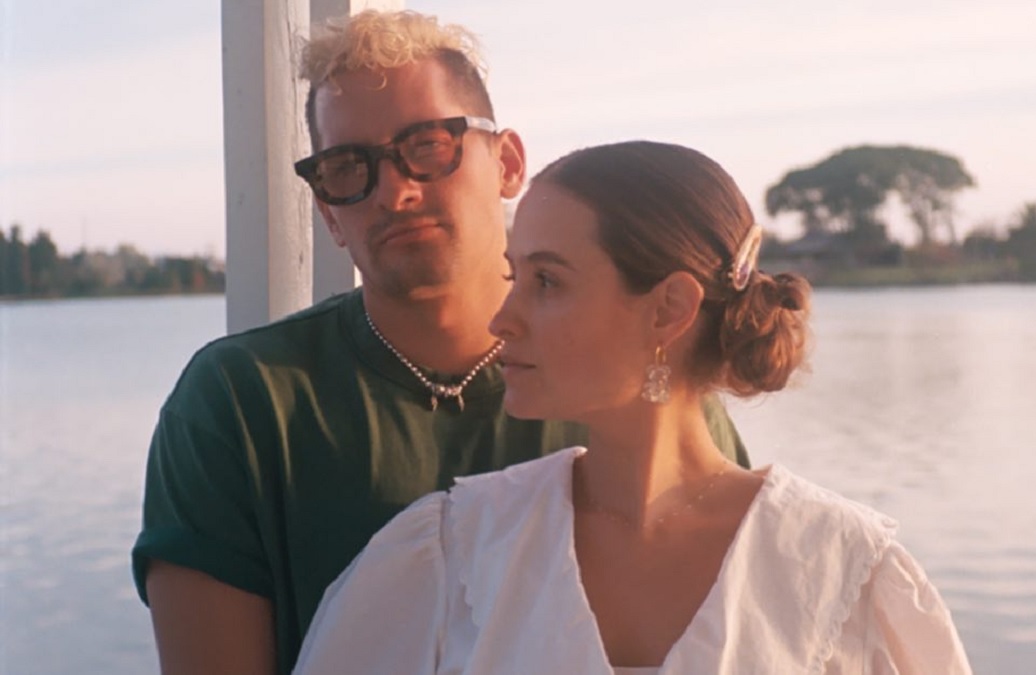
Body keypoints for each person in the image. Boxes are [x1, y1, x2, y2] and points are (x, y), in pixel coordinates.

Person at [131, 11, 747, 675]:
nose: (394, 193)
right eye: (347, 167)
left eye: (427, 146)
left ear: (507, 163)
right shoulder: (240, 403)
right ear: (328, 211)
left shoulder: (634, 384)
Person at [293, 140, 975, 674]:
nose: (503, 318)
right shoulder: (450, 553)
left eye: (546, 281)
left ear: (668, 309)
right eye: (513, 275)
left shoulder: (844, 572)